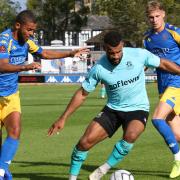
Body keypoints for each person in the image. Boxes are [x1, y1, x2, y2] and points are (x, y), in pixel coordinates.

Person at [48, 31, 180, 180]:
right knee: (84, 143)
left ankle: (103, 169)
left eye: (118, 52)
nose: (116, 56)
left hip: (138, 109)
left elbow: (162, 63)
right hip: (113, 109)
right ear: (105, 48)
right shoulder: (99, 68)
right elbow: (82, 94)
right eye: (111, 53)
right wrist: (63, 118)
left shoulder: (139, 55)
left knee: (131, 135)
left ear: (123, 46)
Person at [0, 10, 88, 180]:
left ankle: (2, 171)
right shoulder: (4, 41)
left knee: (15, 131)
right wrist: (25, 67)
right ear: (18, 26)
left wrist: (70, 53)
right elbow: (2, 65)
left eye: (33, 30)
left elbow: (45, 54)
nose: (32, 34)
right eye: (29, 30)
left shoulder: (27, 42)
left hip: (11, 96)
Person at [144, 1, 180, 178]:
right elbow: (146, 62)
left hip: (177, 82)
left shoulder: (174, 32)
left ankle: (178, 161)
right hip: (163, 85)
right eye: (151, 17)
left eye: (157, 16)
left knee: (158, 119)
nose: (154, 20)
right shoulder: (147, 39)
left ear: (163, 14)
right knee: (177, 134)